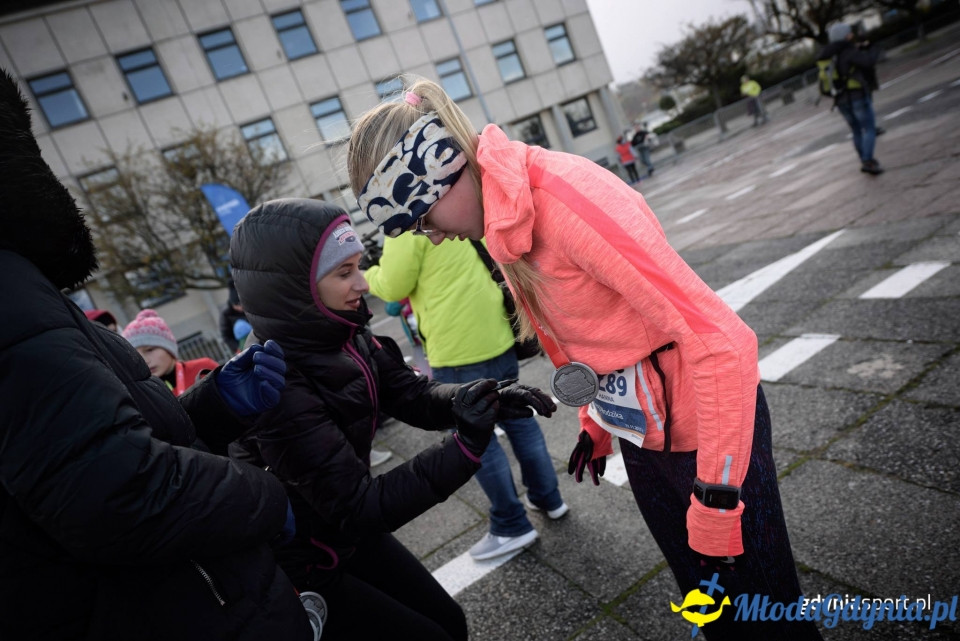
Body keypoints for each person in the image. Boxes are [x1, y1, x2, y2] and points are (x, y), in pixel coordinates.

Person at [346, 78, 824, 640]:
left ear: (441, 169)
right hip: (644, 433)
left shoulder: (566, 198)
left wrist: (717, 497)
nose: (429, 237)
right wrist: (598, 418)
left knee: (767, 616)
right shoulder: (502, 220)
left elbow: (721, 341)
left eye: (422, 218)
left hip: (708, 431)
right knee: (709, 605)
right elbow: (593, 334)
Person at [0, 67, 312, 640]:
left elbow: (91, 447)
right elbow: (117, 491)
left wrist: (213, 405)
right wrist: (268, 497)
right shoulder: (10, 294)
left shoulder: (25, 287)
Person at [228, 198, 556, 641]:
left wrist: (478, 398)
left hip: (345, 533)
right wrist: (464, 446)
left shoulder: (343, 331)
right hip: (308, 561)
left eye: (358, 266)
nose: (363, 283)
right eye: (344, 272)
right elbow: (360, 506)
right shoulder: (276, 382)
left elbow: (410, 394)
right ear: (295, 288)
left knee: (449, 621)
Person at [365, 228, 568, 561]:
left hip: (455, 347)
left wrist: (365, 274)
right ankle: (549, 498)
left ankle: (512, 524)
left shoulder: (404, 223)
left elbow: (393, 285)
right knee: (521, 420)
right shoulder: (452, 206)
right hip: (497, 333)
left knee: (478, 438)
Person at [818, 22, 883, 175]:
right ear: (844, 36)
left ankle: (864, 160)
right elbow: (868, 62)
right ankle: (868, 161)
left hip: (840, 100)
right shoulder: (848, 51)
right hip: (857, 95)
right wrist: (872, 48)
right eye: (849, 33)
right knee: (869, 128)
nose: (852, 35)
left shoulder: (828, 55)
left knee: (856, 131)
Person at [122, 308, 221, 397]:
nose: (145, 361)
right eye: (136, 356)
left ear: (168, 347)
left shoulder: (203, 369)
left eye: (150, 350)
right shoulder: (140, 395)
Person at [220, 278, 248, 352]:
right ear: (232, 304)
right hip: (241, 345)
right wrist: (237, 348)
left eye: (242, 303)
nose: (241, 307)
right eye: (237, 305)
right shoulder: (226, 314)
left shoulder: (249, 308)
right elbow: (226, 336)